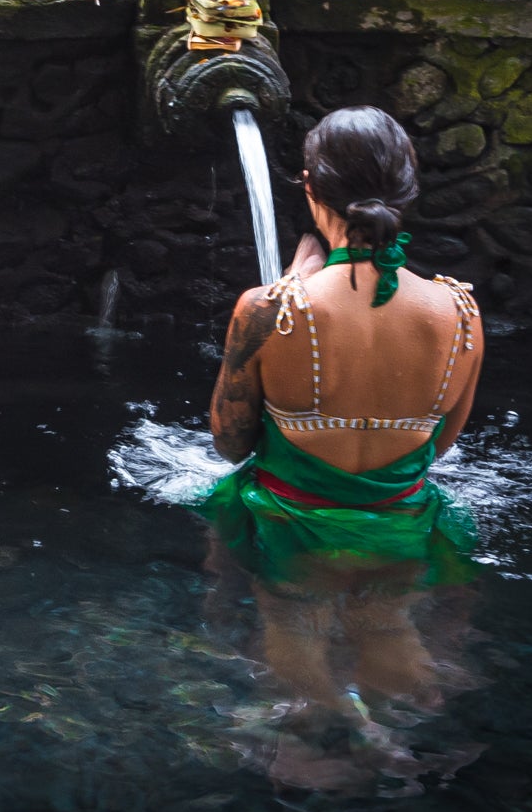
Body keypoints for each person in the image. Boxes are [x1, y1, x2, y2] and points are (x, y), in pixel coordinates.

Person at [202, 105, 483, 749]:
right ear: (408, 186)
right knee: (388, 628)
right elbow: (440, 445)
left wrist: (293, 283)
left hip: (293, 522)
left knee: (293, 630)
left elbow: (229, 440)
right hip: (399, 522)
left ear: (309, 186)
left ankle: (324, 744)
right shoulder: (461, 312)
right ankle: (403, 748)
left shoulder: (268, 310)